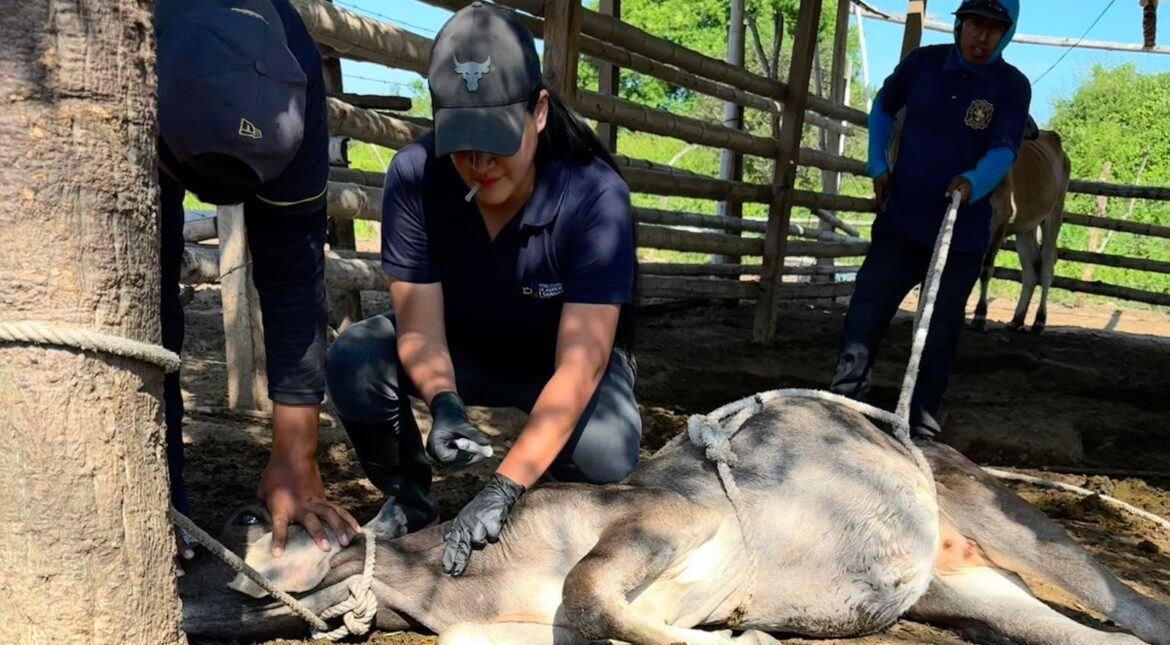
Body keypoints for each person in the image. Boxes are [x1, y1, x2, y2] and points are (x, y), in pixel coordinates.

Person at [325, 2, 641, 577]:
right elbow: (418, 325)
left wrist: (502, 487)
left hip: (556, 361)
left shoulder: (596, 196)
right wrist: (444, 404)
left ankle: (533, 516)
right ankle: (412, 497)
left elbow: (580, 367)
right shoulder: (416, 176)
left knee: (607, 450)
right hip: (459, 346)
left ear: (539, 111)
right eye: (462, 140)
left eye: (496, 138)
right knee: (356, 356)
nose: (478, 162)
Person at [155, 0, 360, 564]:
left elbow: (294, 276)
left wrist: (297, 457)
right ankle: (159, 494)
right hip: (142, 116)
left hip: (223, 117)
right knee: (145, 302)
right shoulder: (132, 41)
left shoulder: (295, 69)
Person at [829, 0, 1030, 440]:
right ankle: (845, 409)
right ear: (959, 24)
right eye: (975, 24)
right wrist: (877, 166)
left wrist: (973, 183)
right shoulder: (922, 64)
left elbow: (1003, 150)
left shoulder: (1012, 86)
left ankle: (920, 428)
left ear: (1007, 33)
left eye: (995, 29)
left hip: (959, 236)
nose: (982, 37)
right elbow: (883, 106)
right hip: (901, 222)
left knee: (938, 335)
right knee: (864, 317)